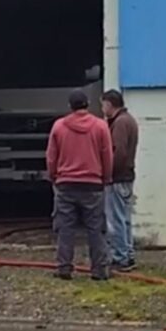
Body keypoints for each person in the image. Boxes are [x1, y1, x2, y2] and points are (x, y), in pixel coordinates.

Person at [46, 89, 113, 281]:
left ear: (70, 106)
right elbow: (107, 155)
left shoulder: (59, 126)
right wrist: (106, 178)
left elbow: (51, 156)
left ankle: (64, 267)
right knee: (95, 229)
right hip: (93, 185)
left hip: (65, 184)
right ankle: (99, 270)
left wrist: (53, 176)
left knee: (65, 228)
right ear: (88, 104)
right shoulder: (100, 126)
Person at [101, 89, 139, 272]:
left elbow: (119, 152)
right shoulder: (129, 120)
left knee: (115, 220)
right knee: (125, 219)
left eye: (103, 104)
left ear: (109, 104)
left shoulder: (120, 123)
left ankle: (120, 257)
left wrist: (108, 173)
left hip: (117, 178)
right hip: (127, 176)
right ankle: (128, 254)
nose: (102, 109)